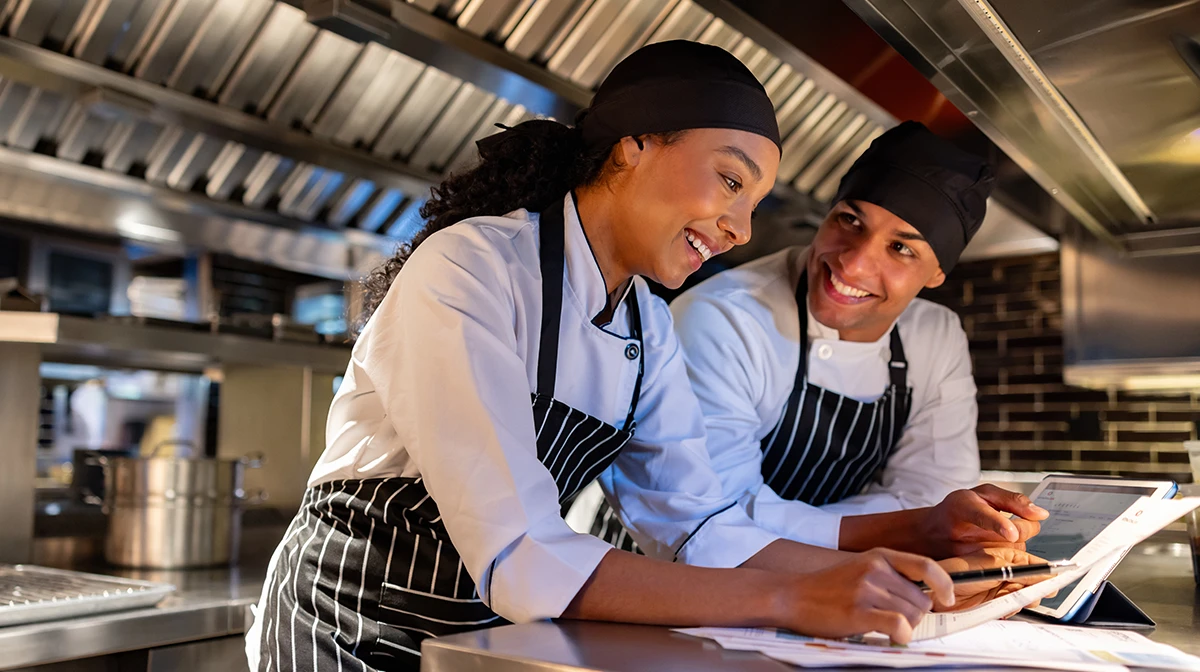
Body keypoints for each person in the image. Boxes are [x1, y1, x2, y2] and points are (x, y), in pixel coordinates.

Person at [246, 47, 1038, 672]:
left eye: (753, 204)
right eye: (730, 181)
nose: (741, 228)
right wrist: (791, 599)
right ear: (634, 146)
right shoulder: (472, 268)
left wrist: (888, 571)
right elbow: (521, 552)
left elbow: (702, 525)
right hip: (346, 624)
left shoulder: (644, 325)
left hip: (479, 634)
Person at [590, 122, 1047, 559]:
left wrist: (914, 526)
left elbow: (932, 494)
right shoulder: (728, 317)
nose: (853, 263)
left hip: (815, 581)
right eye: (850, 220)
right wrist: (910, 528)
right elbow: (715, 517)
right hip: (648, 574)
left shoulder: (935, 338)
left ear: (937, 274)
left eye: (901, 248)